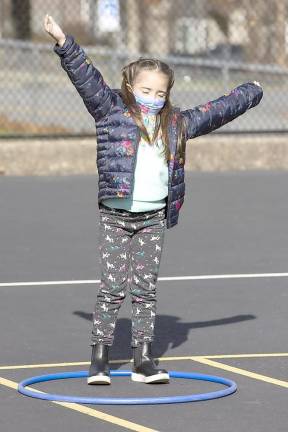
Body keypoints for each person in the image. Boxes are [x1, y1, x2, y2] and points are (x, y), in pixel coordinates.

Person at [44, 14, 263, 385]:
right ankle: (100, 358)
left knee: (145, 291)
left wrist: (252, 90)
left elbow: (216, 111)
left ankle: (142, 360)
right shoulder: (110, 110)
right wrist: (64, 40)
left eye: (161, 94)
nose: (153, 99)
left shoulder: (175, 123)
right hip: (116, 216)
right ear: (130, 86)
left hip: (152, 218)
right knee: (113, 289)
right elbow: (85, 77)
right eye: (147, 91)